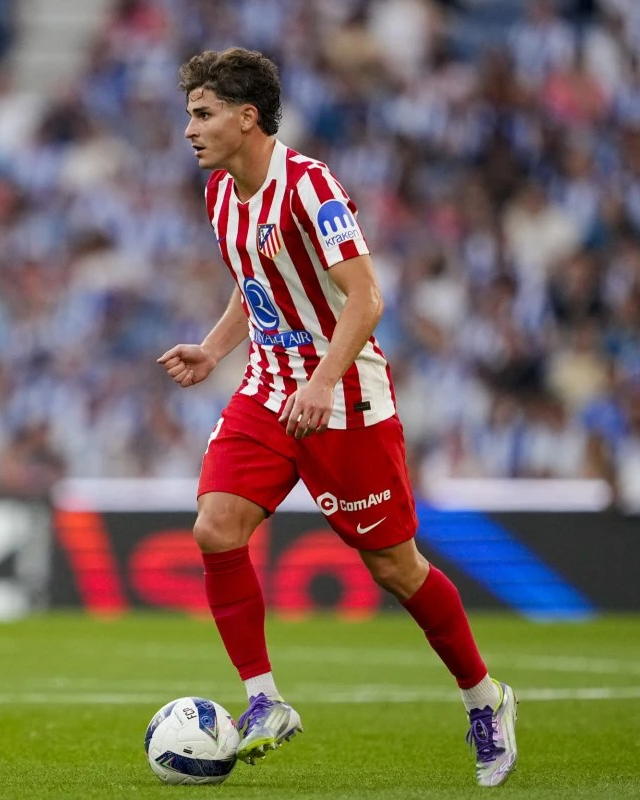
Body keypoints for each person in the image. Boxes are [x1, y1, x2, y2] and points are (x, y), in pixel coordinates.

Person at [157, 48, 519, 787]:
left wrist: (324, 381)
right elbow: (256, 283)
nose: (189, 129)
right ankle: (265, 702)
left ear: (246, 117)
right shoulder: (221, 193)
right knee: (215, 528)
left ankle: (485, 698)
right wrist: (215, 349)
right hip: (268, 391)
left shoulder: (310, 186)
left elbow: (366, 297)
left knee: (396, 568)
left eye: (202, 114)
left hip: (345, 402)